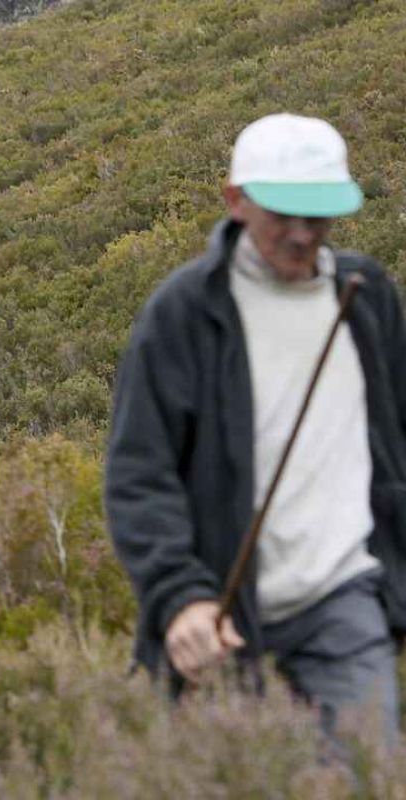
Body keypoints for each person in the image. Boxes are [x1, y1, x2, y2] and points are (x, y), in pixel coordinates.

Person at [105, 113, 404, 743]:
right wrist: (180, 596)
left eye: (318, 216)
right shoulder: (182, 316)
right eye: (282, 216)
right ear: (236, 201)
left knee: (368, 777)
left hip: (344, 598)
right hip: (224, 622)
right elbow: (139, 473)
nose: (302, 236)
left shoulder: (365, 295)